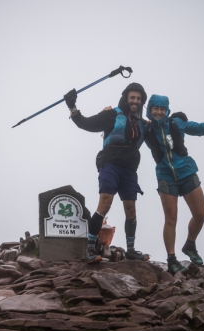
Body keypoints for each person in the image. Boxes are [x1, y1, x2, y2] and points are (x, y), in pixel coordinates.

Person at [144, 94, 204, 275]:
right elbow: (126, 125)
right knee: (171, 219)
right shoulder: (145, 128)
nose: (159, 112)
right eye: (155, 109)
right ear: (150, 110)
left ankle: (190, 245)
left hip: (187, 172)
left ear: (167, 110)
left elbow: (201, 128)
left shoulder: (177, 123)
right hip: (165, 177)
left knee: (200, 215)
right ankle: (171, 259)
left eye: (162, 109)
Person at [63, 83, 151, 263]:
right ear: (126, 98)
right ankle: (89, 248)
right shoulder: (112, 114)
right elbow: (85, 123)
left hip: (129, 169)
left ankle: (131, 250)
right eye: (132, 97)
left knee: (131, 209)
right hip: (110, 163)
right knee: (105, 202)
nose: (135, 101)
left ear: (142, 102)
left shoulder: (143, 124)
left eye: (138, 99)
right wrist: (72, 106)